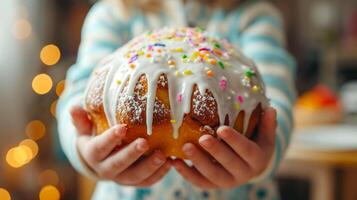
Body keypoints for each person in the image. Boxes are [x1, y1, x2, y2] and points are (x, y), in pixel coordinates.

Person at [57, 0, 296, 199]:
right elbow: (81, 92)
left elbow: (276, 99)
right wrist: (83, 149)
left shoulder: (254, 16)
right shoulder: (113, 13)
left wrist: (265, 154)